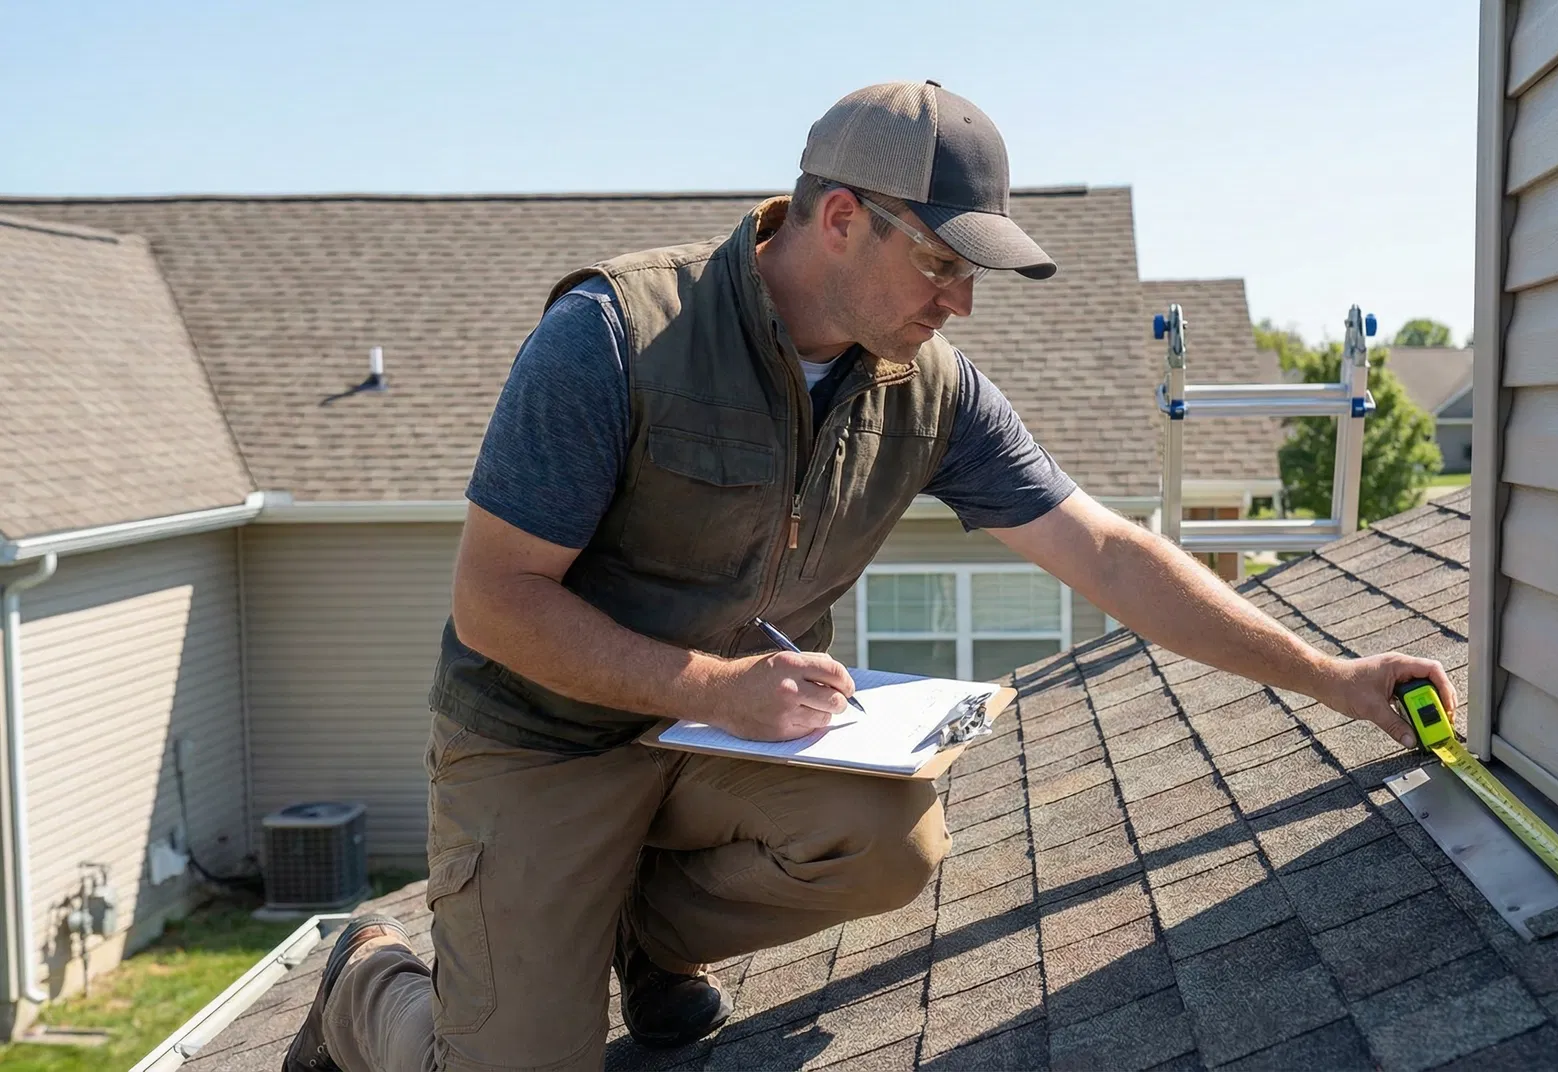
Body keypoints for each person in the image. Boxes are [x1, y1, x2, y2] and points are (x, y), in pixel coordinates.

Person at [285, 80, 1456, 1072]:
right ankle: (367, 980)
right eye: (944, 263)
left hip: (714, 745)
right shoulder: (613, 338)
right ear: (840, 217)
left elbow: (1107, 552)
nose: (959, 302)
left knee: (890, 837)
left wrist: (1335, 676)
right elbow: (494, 604)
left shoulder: (929, 387)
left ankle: (635, 934)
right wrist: (716, 689)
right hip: (541, 738)